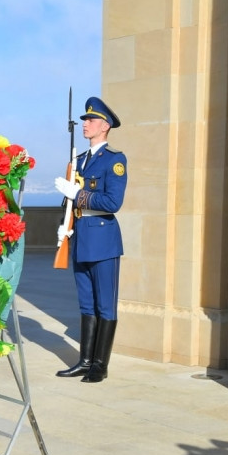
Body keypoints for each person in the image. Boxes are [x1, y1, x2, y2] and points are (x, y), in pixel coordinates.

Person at [53, 96, 128, 383]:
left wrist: (78, 194)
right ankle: (84, 361)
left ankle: (100, 364)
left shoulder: (115, 160)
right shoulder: (79, 160)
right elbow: (70, 204)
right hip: (81, 239)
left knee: (104, 305)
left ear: (105, 126)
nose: (85, 124)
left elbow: (112, 202)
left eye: (91, 120)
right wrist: (66, 225)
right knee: (86, 304)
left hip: (104, 241)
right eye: (85, 120)